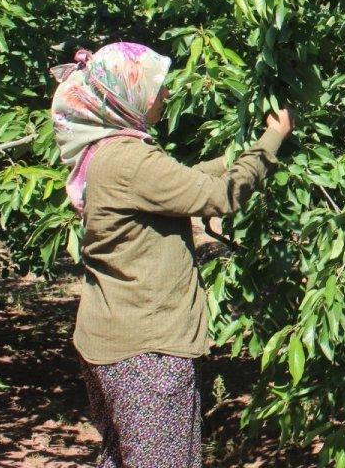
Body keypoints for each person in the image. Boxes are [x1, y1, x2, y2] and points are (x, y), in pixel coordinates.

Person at [50, 42, 293, 468]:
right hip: (147, 353)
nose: (164, 96)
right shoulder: (130, 159)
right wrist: (273, 139)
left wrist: (237, 154)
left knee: (122, 458)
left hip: (113, 340)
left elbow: (177, 185)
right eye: (156, 87)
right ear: (127, 93)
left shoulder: (107, 149)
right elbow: (219, 196)